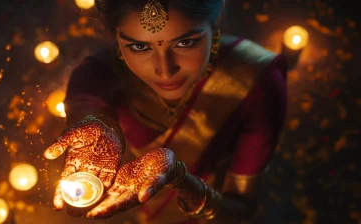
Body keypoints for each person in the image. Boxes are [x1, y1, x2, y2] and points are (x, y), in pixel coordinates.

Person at [43, 0, 287, 223]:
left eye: (185, 42)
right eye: (139, 46)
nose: (165, 71)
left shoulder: (257, 81)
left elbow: (241, 210)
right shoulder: (94, 78)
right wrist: (100, 124)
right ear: (117, 39)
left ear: (215, 27)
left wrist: (179, 178)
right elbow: (89, 108)